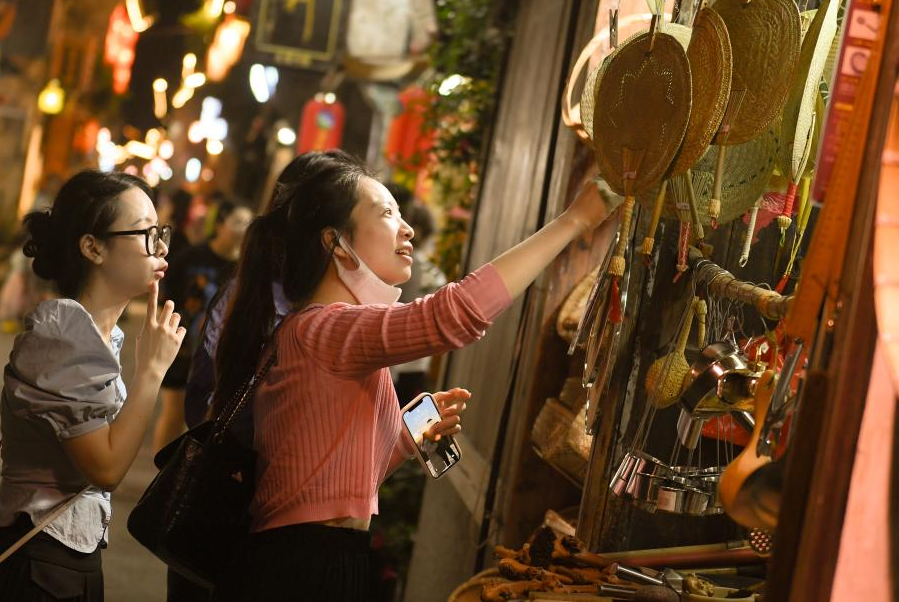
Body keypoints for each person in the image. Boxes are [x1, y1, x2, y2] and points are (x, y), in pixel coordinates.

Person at [210, 150, 617, 601]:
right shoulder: (324, 328)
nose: (407, 229)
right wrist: (574, 221)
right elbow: (454, 315)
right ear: (335, 242)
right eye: (386, 213)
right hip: (299, 565)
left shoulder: (317, 330)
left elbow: (332, 483)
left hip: (319, 556)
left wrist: (406, 438)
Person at [0, 170, 185, 601]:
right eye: (145, 233)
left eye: (161, 232)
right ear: (93, 247)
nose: (161, 247)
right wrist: (151, 371)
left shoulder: (98, 337)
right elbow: (105, 469)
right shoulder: (63, 335)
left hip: (65, 559)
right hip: (38, 564)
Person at [152, 198, 253, 454]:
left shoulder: (247, 269)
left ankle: (187, 470)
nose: (243, 229)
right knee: (174, 411)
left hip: (218, 355)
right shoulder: (191, 257)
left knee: (204, 419)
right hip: (183, 348)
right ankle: (163, 470)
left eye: (248, 223)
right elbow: (165, 293)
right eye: (238, 222)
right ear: (219, 224)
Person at [393, 200, 447, 403]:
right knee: (417, 419)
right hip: (416, 363)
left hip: (387, 362)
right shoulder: (434, 274)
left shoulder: (391, 264)